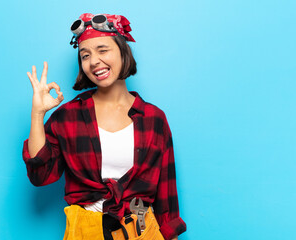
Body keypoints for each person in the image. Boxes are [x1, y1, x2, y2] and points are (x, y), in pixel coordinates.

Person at [22, 13, 186, 240]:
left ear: (122, 51)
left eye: (102, 50)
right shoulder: (68, 117)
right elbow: (41, 175)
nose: (94, 61)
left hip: (143, 231)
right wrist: (38, 113)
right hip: (85, 231)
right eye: (85, 55)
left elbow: (166, 199)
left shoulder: (154, 119)